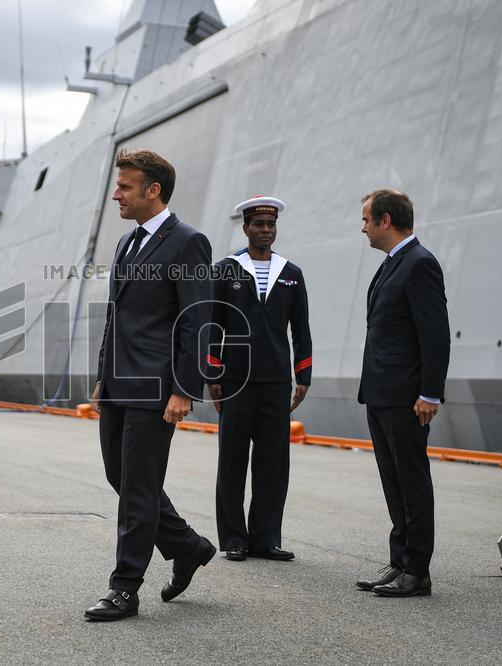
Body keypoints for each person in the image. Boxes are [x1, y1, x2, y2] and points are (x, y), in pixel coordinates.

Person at [84, 149, 215, 622]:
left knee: (139, 486)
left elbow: (197, 321)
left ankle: (125, 588)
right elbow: (116, 315)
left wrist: (185, 388)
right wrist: (103, 373)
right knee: (119, 475)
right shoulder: (126, 243)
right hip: (120, 381)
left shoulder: (189, 242)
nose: (116, 194)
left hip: (157, 386)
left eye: (124, 186)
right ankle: (187, 545)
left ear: (152, 190)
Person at [355, 189, 450, 598]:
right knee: (393, 482)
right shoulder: (393, 264)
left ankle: (417, 571)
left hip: (406, 397)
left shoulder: (420, 264)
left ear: (386, 221)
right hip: (380, 395)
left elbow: (435, 335)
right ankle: (400, 563)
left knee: (411, 482)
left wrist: (430, 393)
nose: (363, 227)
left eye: (366, 219)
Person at [208, 196, 312, 563]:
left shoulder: (291, 273)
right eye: (259, 225)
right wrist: (212, 372)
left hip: (275, 382)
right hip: (235, 380)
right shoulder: (226, 270)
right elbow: (212, 325)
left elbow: (301, 329)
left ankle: (266, 539)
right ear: (246, 228)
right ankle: (234, 539)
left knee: (273, 463)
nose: (265, 231)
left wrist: (304, 375)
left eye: (271, 226)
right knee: (232, 460)